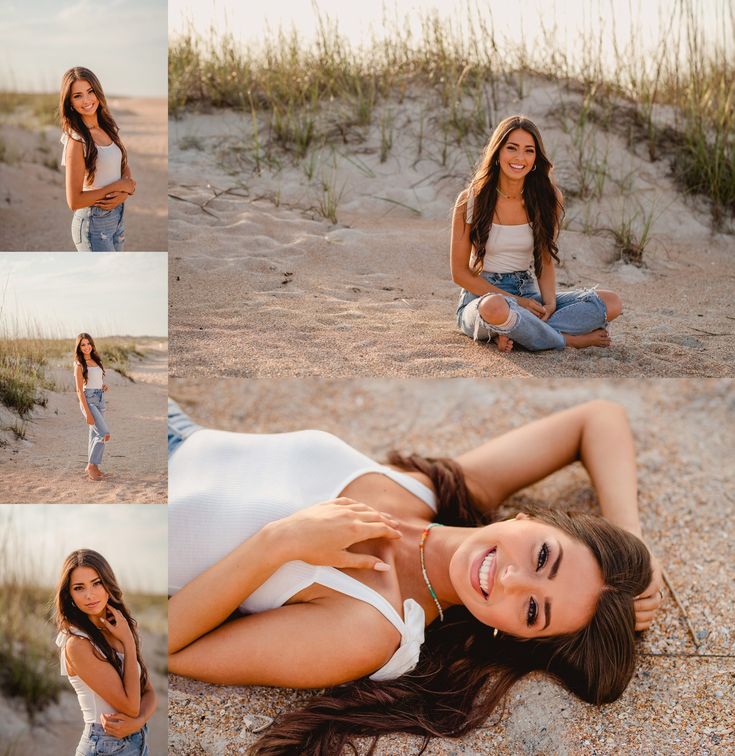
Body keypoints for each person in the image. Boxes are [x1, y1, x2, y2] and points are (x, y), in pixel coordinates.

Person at [167, 398, 663, 754]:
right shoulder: (430, 493)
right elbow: (597, 418)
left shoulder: (365, 631)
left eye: (533, 610)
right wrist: (630, 542)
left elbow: (168, 646)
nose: (512, 580)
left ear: (511, 633)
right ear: (528, 519)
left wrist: (276, 544)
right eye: (542, 557)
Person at [451, 115, 622, 352]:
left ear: (535, 159)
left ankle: (516, 330)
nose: (520, 158)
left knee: (610, 302)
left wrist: (550, 303)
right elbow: (460, 274)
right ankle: (564, 339)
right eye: (512, 148)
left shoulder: (548, 198)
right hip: (483, 297)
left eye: (528, 151)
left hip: (527, 291)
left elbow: (545, 259)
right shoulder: (470, 200)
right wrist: (516, 303)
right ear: (498, 153)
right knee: (496, 309)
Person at [55, 549, 156, 756]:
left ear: (108, 583)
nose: (90, 594)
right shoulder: (77, 644)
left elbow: (149, 693)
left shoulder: (118, 628)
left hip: (139, 742)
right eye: (79, 587)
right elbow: (130, 706)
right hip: (103, 747)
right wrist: (128, 641)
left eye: (97, 583)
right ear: (70, 595)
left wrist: (138, 722)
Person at [59, 67, 136, 251]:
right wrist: (118, 187)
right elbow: (74, 201)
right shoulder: (76, 140)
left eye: (90, 91)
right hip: (92, 223)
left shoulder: (107, 127)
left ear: (98, 92)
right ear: (70, 102)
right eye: (77, 96)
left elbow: (123, 166)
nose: (86, 100)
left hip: (116, 218)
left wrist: (126, 191)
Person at [74, 333, 110, 481]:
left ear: (92, 345)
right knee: (104, 433)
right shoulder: (79, 364)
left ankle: (95, 467)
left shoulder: (96, 360)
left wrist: (103, 386)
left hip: (100, 398)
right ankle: (90, 466)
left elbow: (95, 381)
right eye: (83, 344)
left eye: (88, 344)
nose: (86, 347)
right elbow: (79, 390)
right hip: (88, 400)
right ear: (79, 347)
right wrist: (87, 413)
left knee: (94, 435)